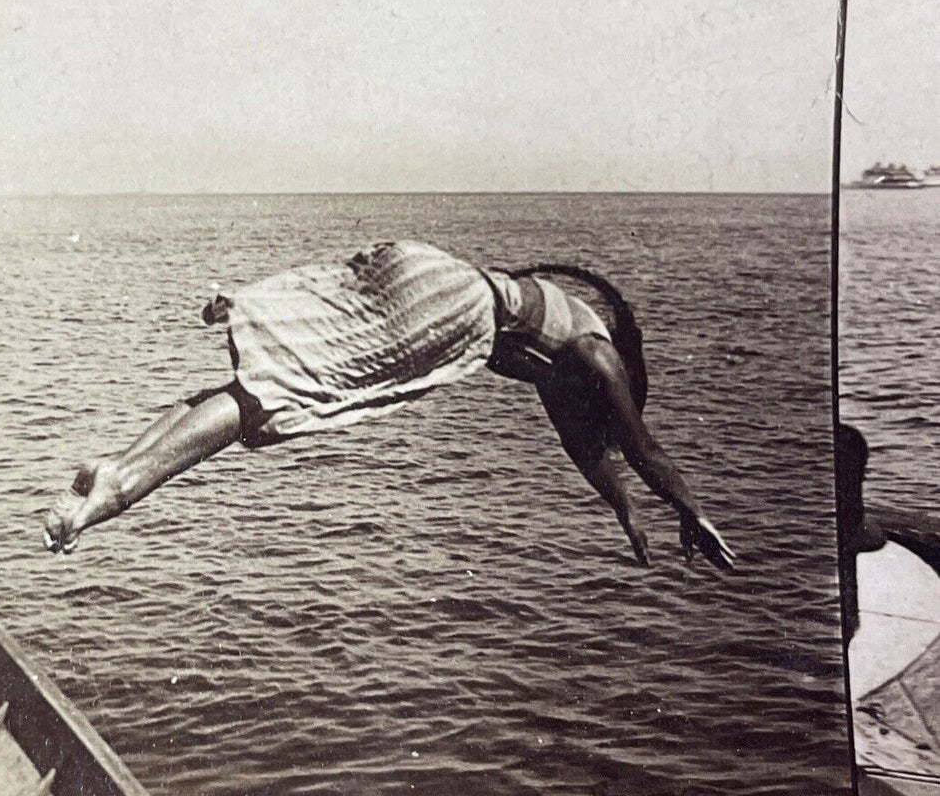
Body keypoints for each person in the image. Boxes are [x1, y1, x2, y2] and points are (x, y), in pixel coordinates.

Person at [42, 239, 735, 570]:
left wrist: (626, 515)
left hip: (426, 267)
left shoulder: (562, 351)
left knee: (294, 351)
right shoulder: (594, 354)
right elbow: (642, 447)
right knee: (285, 391)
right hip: (454, 305)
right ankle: (121, 488)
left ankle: (120, 458)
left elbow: (587, 453)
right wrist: (692, 510)